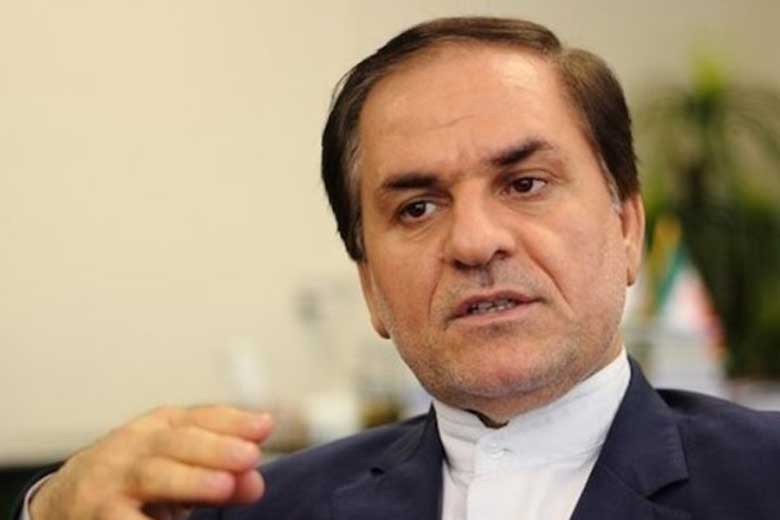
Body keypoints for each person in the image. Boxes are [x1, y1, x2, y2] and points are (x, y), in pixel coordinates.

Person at [15, 16, 780, 520]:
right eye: (416, 207)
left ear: (626, 226)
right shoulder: (255, 508)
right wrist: (49, 508)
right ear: (371, 288)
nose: (475, 242)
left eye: (524, 183)